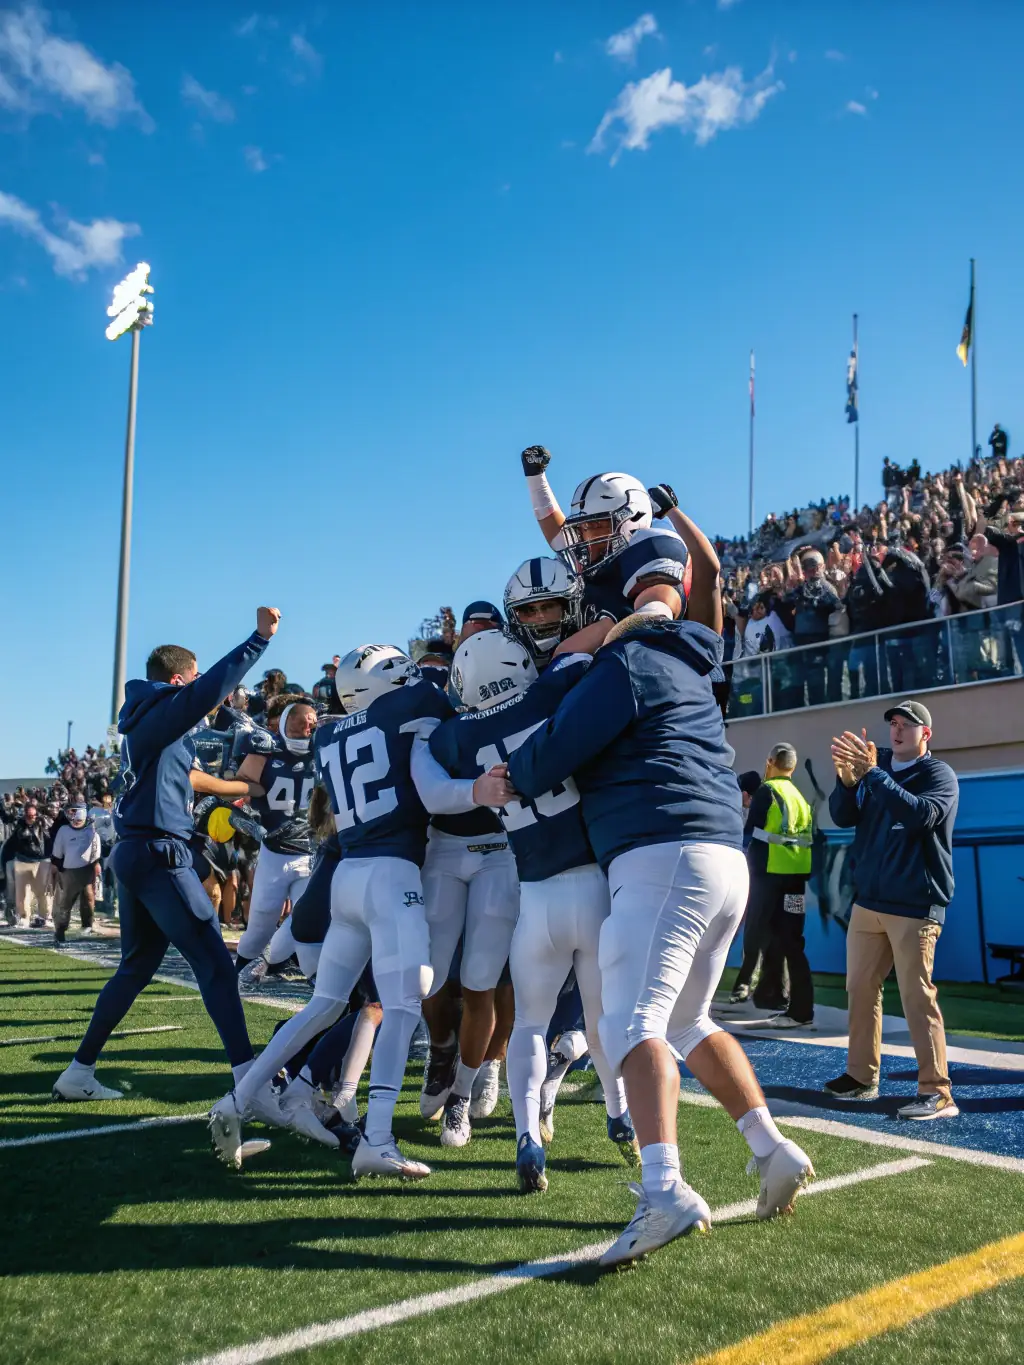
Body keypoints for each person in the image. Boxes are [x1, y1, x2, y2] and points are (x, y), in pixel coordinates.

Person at [507, 506, 813, 1265]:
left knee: (628, 1023)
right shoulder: (690, 653)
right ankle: (770, 1147)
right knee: (687, 1020)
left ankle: (664, 1188)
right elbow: (702, 580)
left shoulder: (628, 663)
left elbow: (548, 759)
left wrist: (505, 767)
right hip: (722, 860)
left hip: (662, 852)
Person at [210, 644, 507, 1178]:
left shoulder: (328, 733)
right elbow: (440, 773)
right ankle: (378, 1138)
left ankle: (238, 1099)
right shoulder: (413, 704)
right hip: (393, 877)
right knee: (402, 1005)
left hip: (348, 873)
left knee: (324, 1005)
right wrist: (478, 786)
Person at [420, 625, 637, 1191]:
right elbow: (582, 651)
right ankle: (619, 1113)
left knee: (531, 1025)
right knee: (601, 1017)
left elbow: (436, 767)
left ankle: (526, 1137)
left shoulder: (451, 736)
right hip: (591, 884)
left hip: (533, 889)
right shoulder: (550, 689)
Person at [51, 608, 279, 1105]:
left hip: (138, 852)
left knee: (136, 966)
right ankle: (250, 1082)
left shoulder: (149, 722)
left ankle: (77, 1071)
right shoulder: (164, 711)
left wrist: (240, 786)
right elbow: (209, 688)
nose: (198, 689)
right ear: (177, 680)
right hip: (157, 852)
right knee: (216, 963)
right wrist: (259, 640)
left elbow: (192, 777)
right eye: (191, 679)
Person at [826, 700, 960, 1120]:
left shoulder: (939, 775)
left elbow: (920, 815)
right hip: (869, 902)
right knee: (860, 987)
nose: (898, 730)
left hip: (916, 904)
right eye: (894, 724)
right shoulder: (874, 767)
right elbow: (841, 815)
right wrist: (847, 784)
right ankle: (861, 1077)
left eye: (908, 725)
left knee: (917, 997)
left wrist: (872, 775)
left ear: (927, 735)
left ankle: (937, 1091)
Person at [232, 699, 318, 984]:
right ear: (284, 722)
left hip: (309, 851)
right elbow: (243, 782)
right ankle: (242, 968)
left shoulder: (324, 746)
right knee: (260, 923)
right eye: (300, 721)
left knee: (307, 916)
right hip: (274, 850)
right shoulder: (266, 746)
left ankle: (294, 967)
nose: (307, 727)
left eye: (311, 721)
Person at [739, 743, 815, 1028]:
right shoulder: (800, 797)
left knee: (757, 934)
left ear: (769, 762)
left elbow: (751, 834)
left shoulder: (766, 792)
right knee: (792, 942)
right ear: (793, 768)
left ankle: (764, 992)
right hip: (795, 879)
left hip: (769, 876)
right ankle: (797, 1007)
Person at [50, 801, 102, 945]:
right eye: (70, 812)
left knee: (89, 898)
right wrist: (60, 868)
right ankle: (60, 930)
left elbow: (96, 852)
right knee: (66, 901)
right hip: (68, 871)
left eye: (75, 812)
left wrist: (95, 865)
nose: (72, 816)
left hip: (86, 870)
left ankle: (87, 926)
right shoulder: (64, 830)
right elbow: (57, 854)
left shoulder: (92, 830)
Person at [5, 804, 53, 928]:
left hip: (40, 861)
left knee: (43, 891)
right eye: (28, 816)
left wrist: (44, 823)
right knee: (22, 892)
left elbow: (49, 838)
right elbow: (16, 840)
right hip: (23, 861)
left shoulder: (43, 823)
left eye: (33, 815)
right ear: (25, 815)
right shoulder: (20, 826)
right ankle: (23, 917)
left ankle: (45, 916)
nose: (31, 818)